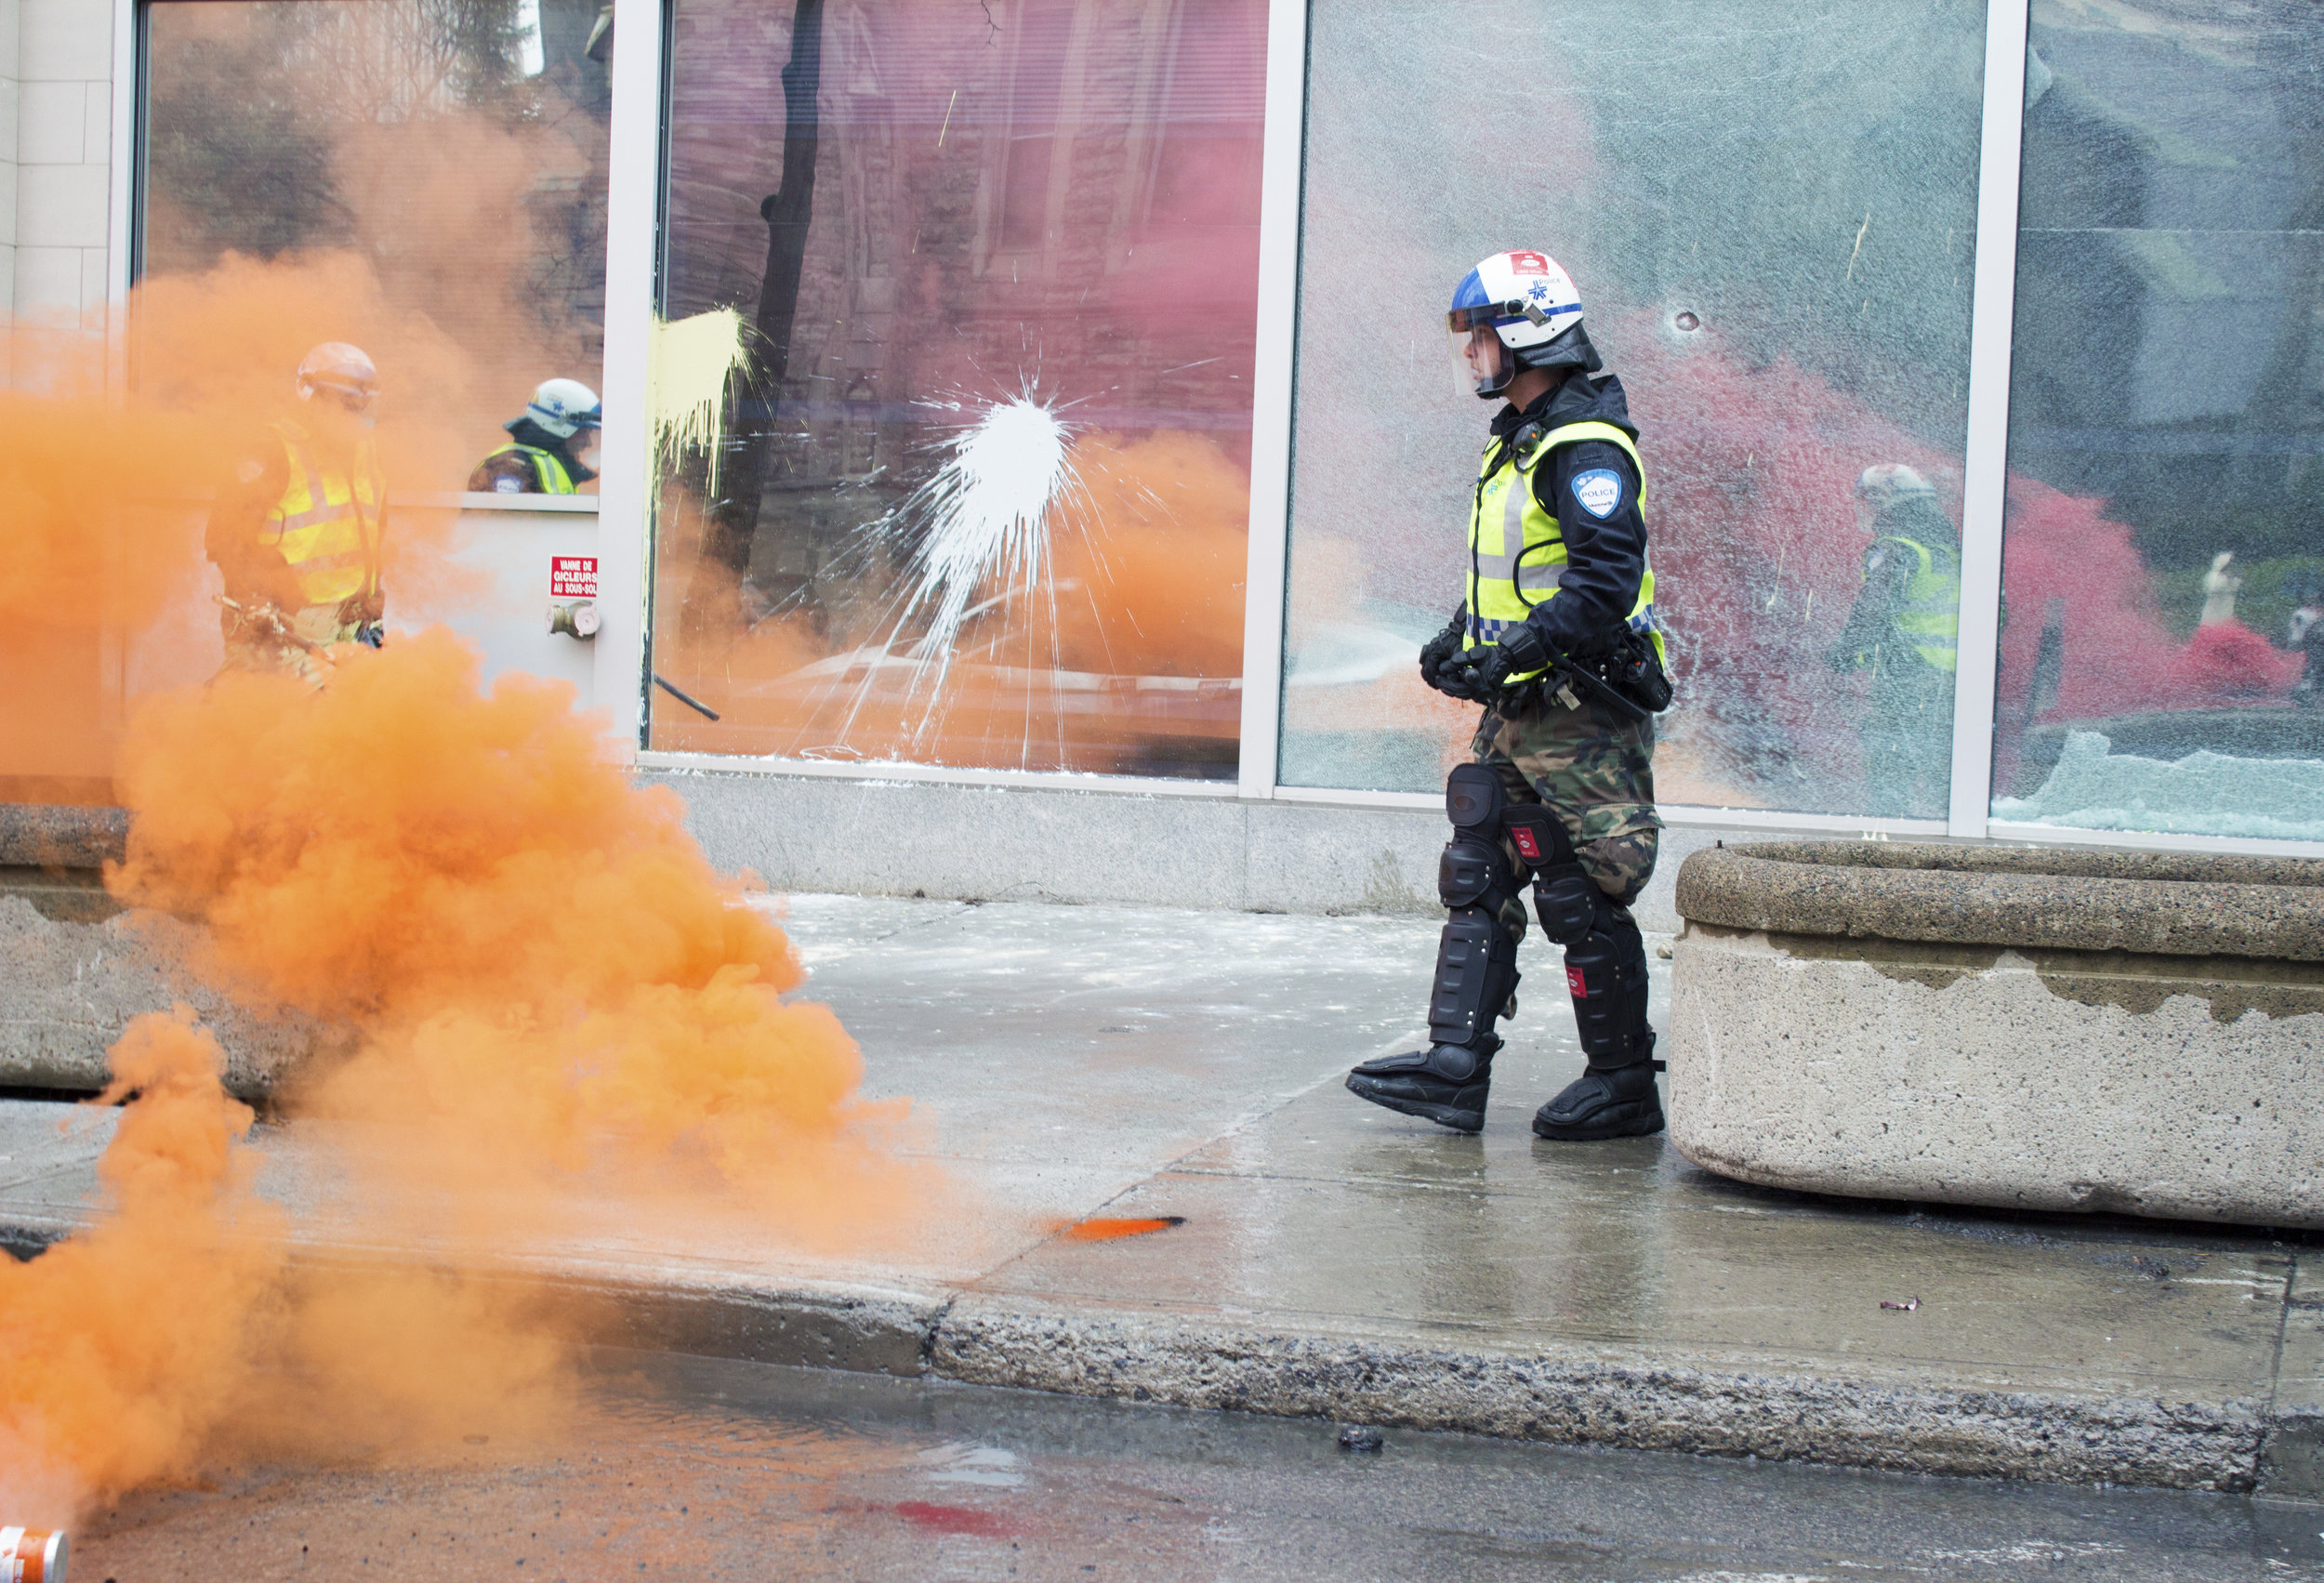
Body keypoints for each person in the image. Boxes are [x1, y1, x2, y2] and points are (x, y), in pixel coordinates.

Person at [1345, 250, 1670, 1142]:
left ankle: (1623, 1084)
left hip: (1582, 710)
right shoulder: (1521, 438)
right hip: (1525, 699)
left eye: (1479, 333)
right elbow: (1514, 574)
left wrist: (1520, 651)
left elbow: (1604, 584)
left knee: (1581, 891)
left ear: (1525, 335)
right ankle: (1456, 1067)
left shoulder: (1587, 447)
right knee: (1478, 866)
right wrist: (1458, 644)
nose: (1470, 352)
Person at [205, 341, 388, 681]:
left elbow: (373, 533)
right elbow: (224, 537)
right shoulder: (272, 449)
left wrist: (373, 594)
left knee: (349, 725)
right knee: (270, 723)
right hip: (282, 626)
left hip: (351, 625)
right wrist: (253, 596)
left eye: (361, 404)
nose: (355, 414)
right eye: (346, 403)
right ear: (312, 397)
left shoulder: (368, 454)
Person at [1823, 464, 1961, 818]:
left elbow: (1873, 608)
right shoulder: (1949, 548)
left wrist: (1844, 651)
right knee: (1940, 762)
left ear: (1891, 504)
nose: (1866, 509)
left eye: (1872, 501)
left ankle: (1889, 829)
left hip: (1909, 671)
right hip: (1951, 676)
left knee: (1889, 753)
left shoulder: (1898, 549)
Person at [469, 379, 601, 495]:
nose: (588, 442)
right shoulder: (510, 468)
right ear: (559, 425)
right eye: (583, 432)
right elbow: (500, 522)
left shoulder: (551, 465)